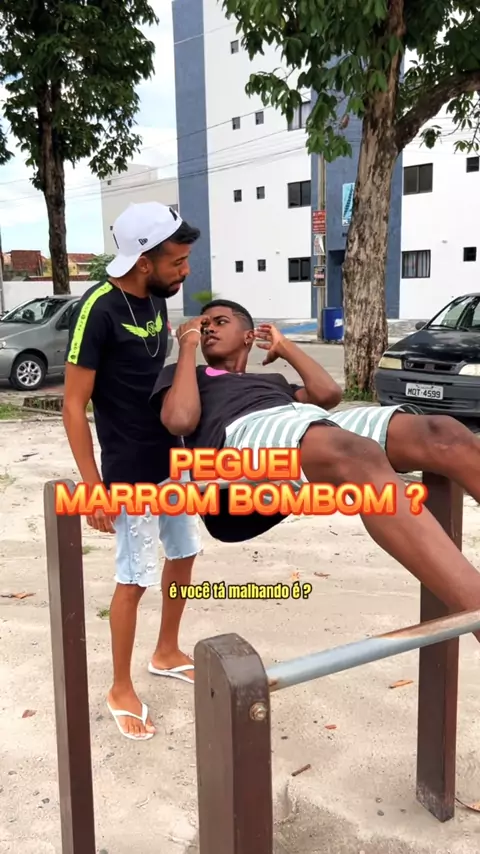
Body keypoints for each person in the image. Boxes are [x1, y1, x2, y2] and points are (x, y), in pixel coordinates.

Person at [149, 299, 480, 639]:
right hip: (242, 439)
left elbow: (328, 394)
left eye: (219, 321)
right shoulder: (187, 376)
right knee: (357, 454)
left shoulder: (274, 380)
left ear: (248, 336)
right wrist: (186, 346)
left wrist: (285, 347)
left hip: (306, 421)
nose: (208, 329)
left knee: (445, 433)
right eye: (204, 325)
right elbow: (180, 420)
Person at [63, 201, 203, 742]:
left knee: (184, 553)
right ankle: (120, 687)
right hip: (128, 472)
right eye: (178, 262)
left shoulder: (155, 300)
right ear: (144, 261)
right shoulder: (97, 309)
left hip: (172, 460)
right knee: (134, 577)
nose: (185, 270)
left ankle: (165, 650)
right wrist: (93, 488)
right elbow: (73, 405)